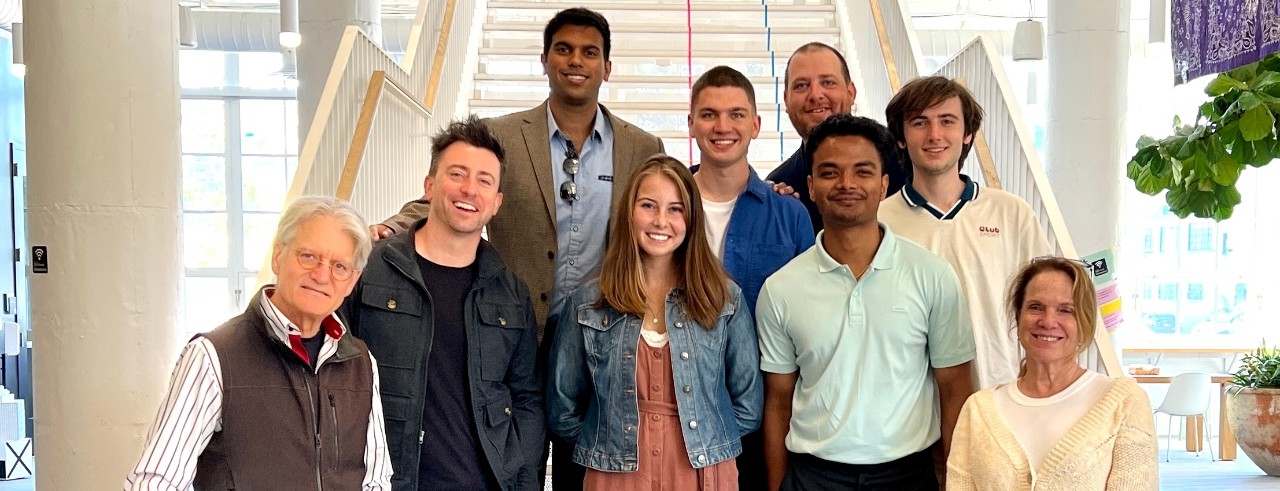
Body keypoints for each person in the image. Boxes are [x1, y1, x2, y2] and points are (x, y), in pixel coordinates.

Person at [372, 9, 665, 488]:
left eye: (590, 52)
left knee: (585, 466)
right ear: (545, 59)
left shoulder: (641, 145)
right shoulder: (504, 135)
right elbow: (455, 197)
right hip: (507, 327)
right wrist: (391, 226)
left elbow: (666, 212)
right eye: (564, 49)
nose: (576, 61)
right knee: (509, 456)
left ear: (607, 67)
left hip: (600, 334)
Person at [756, 114, 974, 491]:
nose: (846, 184)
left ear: (884, 184)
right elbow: (778, 403)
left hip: (907, 475)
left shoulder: (932, 276)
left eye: (863, 171)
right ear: (810, 186)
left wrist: (954, 482)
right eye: (829, 172)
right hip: (813, 476)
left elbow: (954, 389)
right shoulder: (781, 289)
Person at [124, 196, 392, 490]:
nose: (321, 275)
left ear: (352, 281)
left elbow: (376, 480)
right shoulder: (213, 357)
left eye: (339, 266)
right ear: (278, 256)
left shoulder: (361, 363)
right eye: (308, 256)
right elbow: (156, 481)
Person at [340, 117, 543, 490]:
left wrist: (524, 479)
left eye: (485, 181)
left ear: (496, 202)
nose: (469, 189)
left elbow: (527, 399)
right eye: (457, 174)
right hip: (389, 481)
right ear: (430, 186)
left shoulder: (511, 293)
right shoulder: (369, 271)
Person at [546, 155, 763, 490]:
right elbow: (562, 409)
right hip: (614, 474)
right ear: (628, 212)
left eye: (676, 209)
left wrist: (709, 437)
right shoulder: (588, 302)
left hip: (706, 472)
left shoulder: (723, 299)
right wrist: (606, 440)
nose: (661, 221)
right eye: (649, 205)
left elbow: (749, 406)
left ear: (691, 219)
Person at [880, 76, 1053, 390]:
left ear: (967, 134)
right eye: (920, 122)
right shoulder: (879, 221)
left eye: (947, 121)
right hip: (909, 410)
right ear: (901, 137)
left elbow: (1045, 303)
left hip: (997, 395)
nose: (935, 135)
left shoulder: (1011, 214)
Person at [687, 65, 813, 490]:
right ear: (690, 123)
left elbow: (810, 314)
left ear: (756, 125)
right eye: (709, 114)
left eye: (737, 114)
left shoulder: (789, 214)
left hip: (765, 409)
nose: (723, 126)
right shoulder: (663, 208)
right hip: (677, 404)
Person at [947, 256, 1158, 490]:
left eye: (1066, 310)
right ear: (1018, 316)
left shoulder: (1125, 403)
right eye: (1036, 307)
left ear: (1084, 321)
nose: (1048, 321)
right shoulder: (977, 410)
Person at [764, 42, 908, 233]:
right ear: (786, 100)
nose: (815, 95)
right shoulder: (783, 189)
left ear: (851, 93)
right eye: (801, 85)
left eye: (828, 82)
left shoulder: (905, 162)